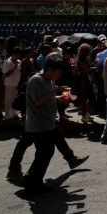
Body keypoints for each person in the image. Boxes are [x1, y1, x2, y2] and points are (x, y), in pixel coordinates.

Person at [20, 54, 71, 195]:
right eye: (57, 72)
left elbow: (47, 97)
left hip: (47, 123)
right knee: (45, 152)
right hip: (38, 124)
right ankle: (32, 183)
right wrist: (54, 91)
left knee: (44, 153)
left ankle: (31, 180)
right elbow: (37, 102)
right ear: (48, 69)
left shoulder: (49, 80)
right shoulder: (37, 80)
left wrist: (59, 98)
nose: (59, 75)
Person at [76, 43, 95, 123]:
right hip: (84, 81)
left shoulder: (87, 59)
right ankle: (83, 116)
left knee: (88, 98)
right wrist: (94, 68)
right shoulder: (81, 60)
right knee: (84, 98)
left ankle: (86, 113)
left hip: (88, 80)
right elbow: (87, 70)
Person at [2, 46, 23, 119]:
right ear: (13, 54)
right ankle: (8, 116)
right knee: (9, 101)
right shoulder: (7, 62)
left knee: (15, 101)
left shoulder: (19, 62)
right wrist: (14, 67)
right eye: (18, 55)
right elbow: (6, 74)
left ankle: (15, 115)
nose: (19, 57)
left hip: (16, 85)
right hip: (9, 85)